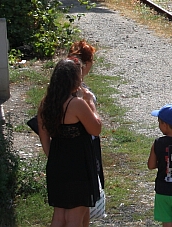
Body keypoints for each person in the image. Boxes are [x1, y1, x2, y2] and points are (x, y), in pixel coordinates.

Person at [37, 59, 102, 227]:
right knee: (75, 216)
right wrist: (90, 102)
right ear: (73, 81)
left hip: (57, 162)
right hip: (78, 164)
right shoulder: (76, 104)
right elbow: (96, 129)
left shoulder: (45, 104)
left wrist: (55, 158)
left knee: (59, 215)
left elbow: (44, 138)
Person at [68, 40, 104, 218]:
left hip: (67, 146)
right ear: (87, 63)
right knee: (82, 203)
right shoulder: (80, 92)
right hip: (85, 144)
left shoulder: (61, 87)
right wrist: (91, 103)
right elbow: (95, 126)